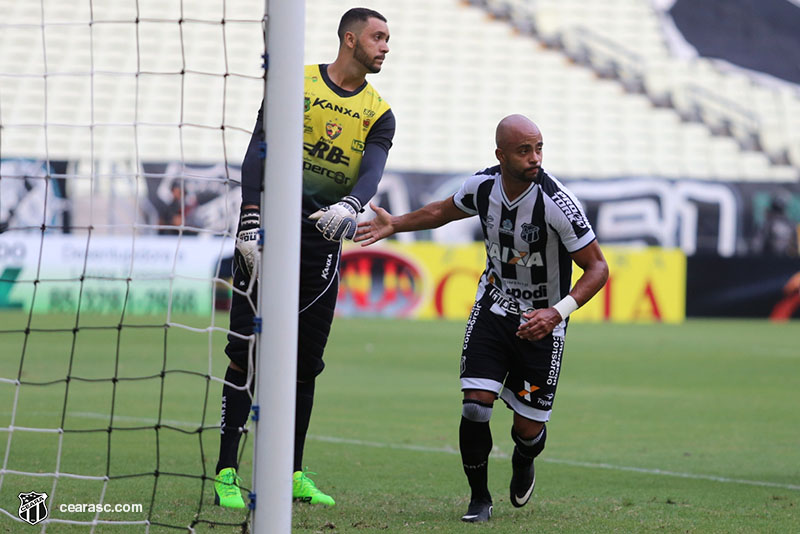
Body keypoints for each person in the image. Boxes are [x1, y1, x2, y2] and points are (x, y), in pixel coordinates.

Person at [355, 115, 608, 522]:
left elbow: (597, 268)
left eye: (539, 148)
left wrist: (555, 313)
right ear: (501, 155)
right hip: (493, 308)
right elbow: (443, 211)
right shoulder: (483, 186)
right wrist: (396, 224)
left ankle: (525, 459)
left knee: (526, 431)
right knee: (475, 406)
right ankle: (479, 499)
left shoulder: (557, 202)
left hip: (543, 322)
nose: (534, 158)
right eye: (524, 150)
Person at [213, 7, 394, 508]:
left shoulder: (379, 112)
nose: (385, 46)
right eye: (378, 37)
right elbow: (259, 147)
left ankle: (290, 472)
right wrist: (250, 216)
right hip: (266, 230)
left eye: (388, 39)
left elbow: (371, 173)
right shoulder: (298, 83)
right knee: (245, 352)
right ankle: (227, 472)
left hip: (321, 240)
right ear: (350, 40)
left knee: (305, 363)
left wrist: (351, 205)